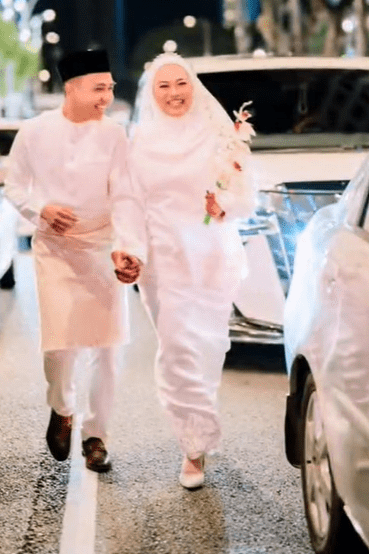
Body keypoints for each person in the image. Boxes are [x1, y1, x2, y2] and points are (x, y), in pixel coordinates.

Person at [5, 49, 145, 472]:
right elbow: (14, 186)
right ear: (72, 87)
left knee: (107, 351)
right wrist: (40, 208)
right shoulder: (33, 131)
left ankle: (97, 436)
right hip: (57, 250)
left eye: (110, 88)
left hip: (103, 247)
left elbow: (125, 195)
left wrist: (127, 245)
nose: (107, 96)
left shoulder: (115, 135)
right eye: (99, 87)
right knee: (60, 345)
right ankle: (62, 407)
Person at [129, 52, 256, 489]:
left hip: (209, 256)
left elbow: (245, 194)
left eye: (180, 83)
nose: (173, 93)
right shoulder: (139, 141)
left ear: (193, 86)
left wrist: (224, 205)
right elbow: (130, 203)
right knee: (176, 347)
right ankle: (194, 441)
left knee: (206, 347)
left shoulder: (220, 135)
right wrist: (128, 248)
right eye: (163, 86)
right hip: (162, 260)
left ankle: (194, 442)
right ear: (151, 92)